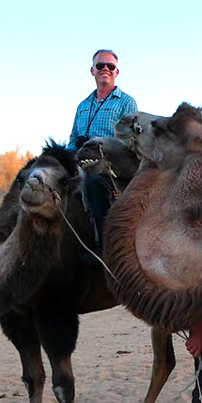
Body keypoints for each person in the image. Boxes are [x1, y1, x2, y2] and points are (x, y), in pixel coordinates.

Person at [67, 49, 137, 256]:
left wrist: (100, 149)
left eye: (110, 66)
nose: (105, 69)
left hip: (110, 165)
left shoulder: (126, 102)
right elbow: (72, 138)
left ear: (117, 71)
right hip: (80, 160)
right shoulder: (83, 105)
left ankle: (104, 246)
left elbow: (129, 141)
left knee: (95, 183)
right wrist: (68, 153)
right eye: (100, 66)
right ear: (92, 71)